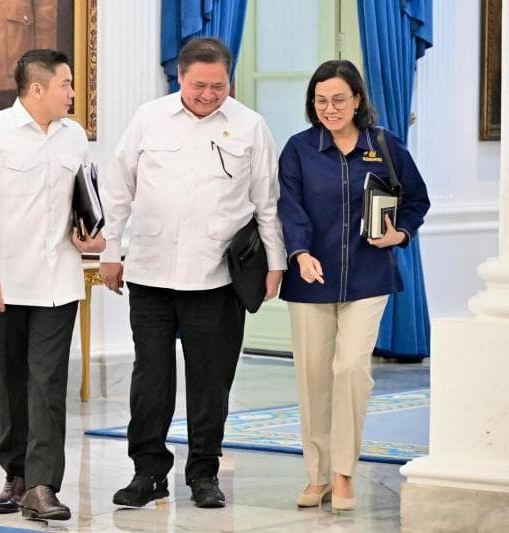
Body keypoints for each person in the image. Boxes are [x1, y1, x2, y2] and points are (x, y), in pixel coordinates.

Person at [99, 37, 287, 509]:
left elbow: (266, 202)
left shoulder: (251, 126)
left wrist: (276, 263)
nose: (208, 95)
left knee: (211, 382)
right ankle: (147, 472)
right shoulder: (149, 118)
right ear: (180, 77)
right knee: (150, 380)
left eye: (218, 86)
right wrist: (110, 251)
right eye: (199, 85)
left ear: (230, 80)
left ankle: (204, 473)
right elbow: (119, 189)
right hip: (151, 272)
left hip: (217, 277)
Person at [0, 48, 105, 521]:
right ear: (37, 89)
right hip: (4, 282)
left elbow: (87, 201)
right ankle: (15, 477)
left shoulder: (74, 137)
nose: (73, 93)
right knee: (12, 382)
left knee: (48, 383)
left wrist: (93, 237)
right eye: (66, 84)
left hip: (59, 283)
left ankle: (42, 486)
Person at [277, 59, 430, 511]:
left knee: (349, 368)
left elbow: (417, 200)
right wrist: (299, 253)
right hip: (310, 279)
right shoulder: (298, 149)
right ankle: (318, 475)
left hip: (369, 276)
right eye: (321, 100)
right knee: (313, 378)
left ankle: (344, 472)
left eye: (339, 99)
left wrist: (399, 234)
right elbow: (289, 208)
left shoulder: (384, 145)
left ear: (358, 100)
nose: (330, 108)